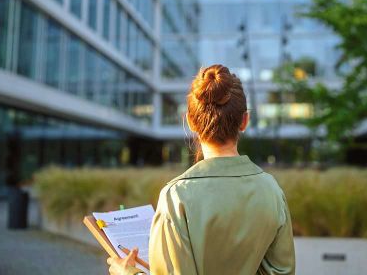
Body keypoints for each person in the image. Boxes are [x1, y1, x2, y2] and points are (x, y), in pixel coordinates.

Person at [107, 64, 296, 275]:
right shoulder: (271, 190)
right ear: (244, 121)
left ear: (190, 122)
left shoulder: (176, 196)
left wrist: (128, 273)